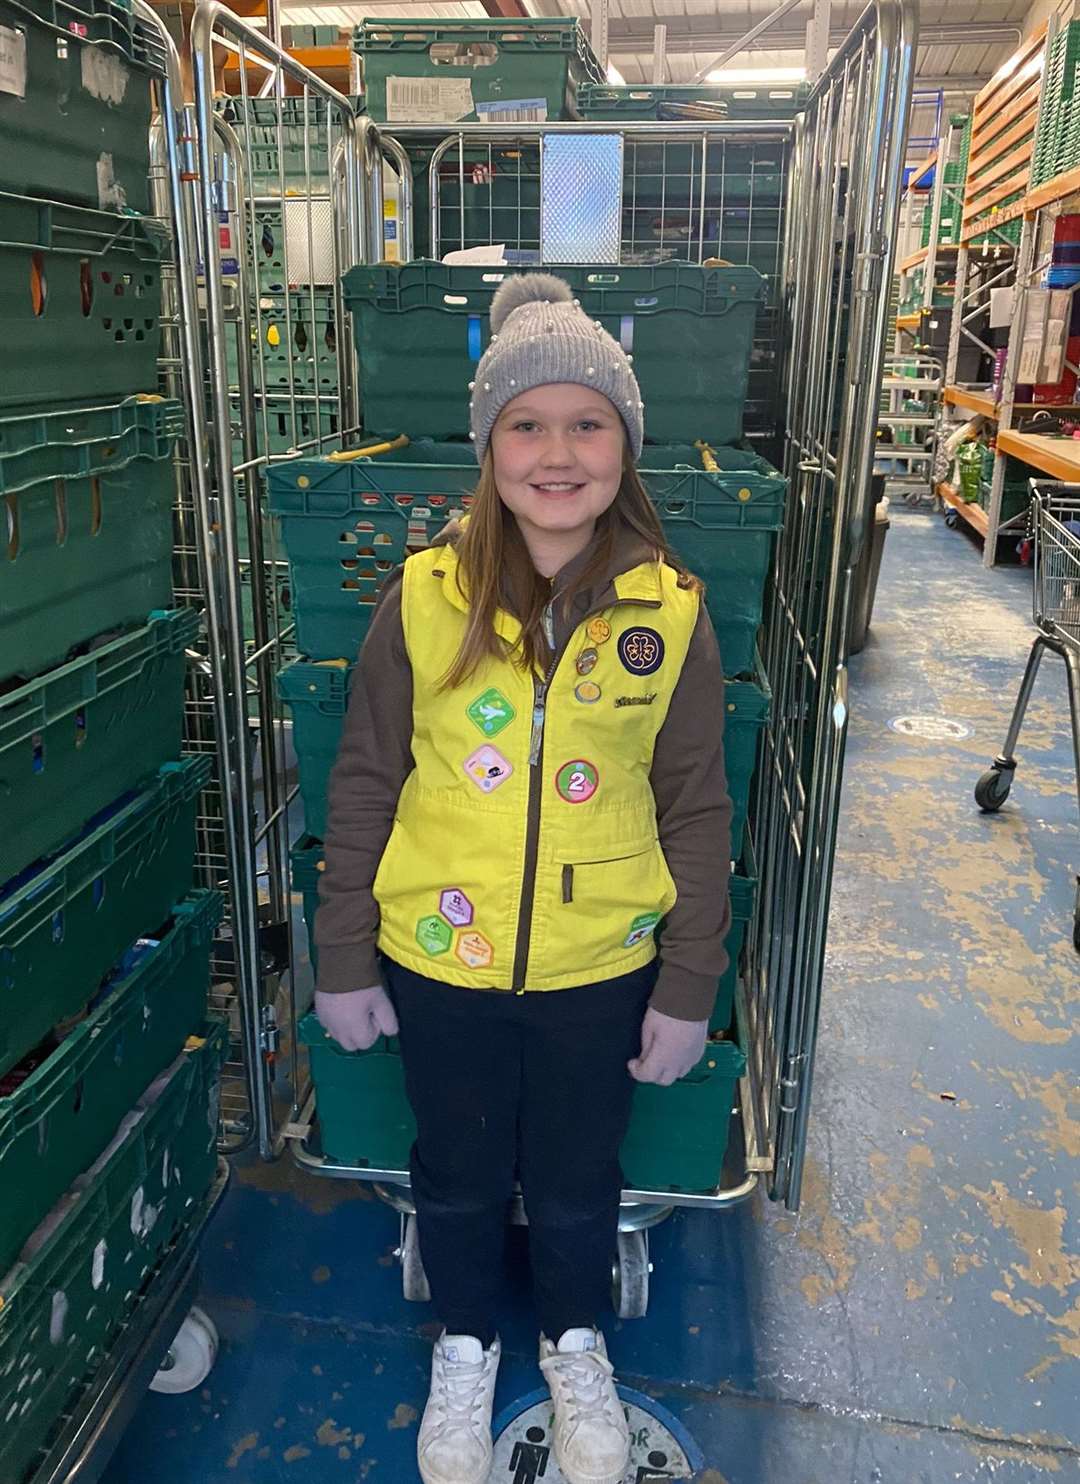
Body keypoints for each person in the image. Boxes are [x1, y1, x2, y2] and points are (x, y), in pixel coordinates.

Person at [314, 272, 733, 1484]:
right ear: (488, 444)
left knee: (572, 1174)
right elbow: (363, 780)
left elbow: (698, 804)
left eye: (588, 423)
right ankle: (462, 1344)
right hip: (439, 959)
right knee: (452, 1165)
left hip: (601, 964)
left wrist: (687, 979)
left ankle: (573, 1337)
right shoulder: (422, 600)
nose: (559, 452)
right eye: (528, 424)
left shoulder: (670, 612)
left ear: (625, 444)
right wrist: (345, 955)